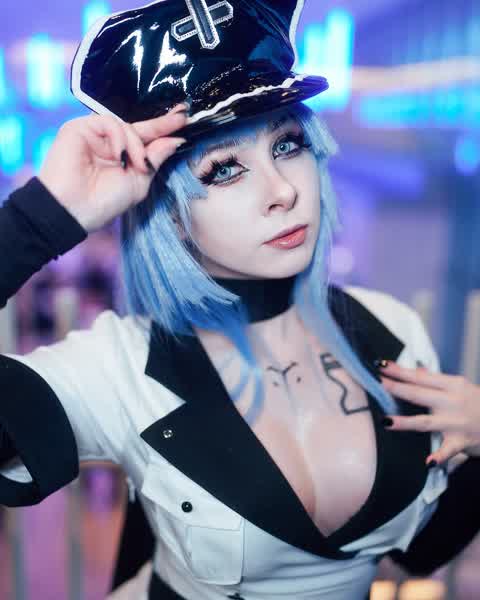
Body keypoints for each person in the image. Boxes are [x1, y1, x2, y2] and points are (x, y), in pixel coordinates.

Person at [1, 1, 480, 599]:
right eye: (225, 169)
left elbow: (419, 555)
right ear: (171, 216)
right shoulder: (121, 367)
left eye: (287, 144)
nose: (283, 191)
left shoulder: (392, 328)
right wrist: (41, 218)